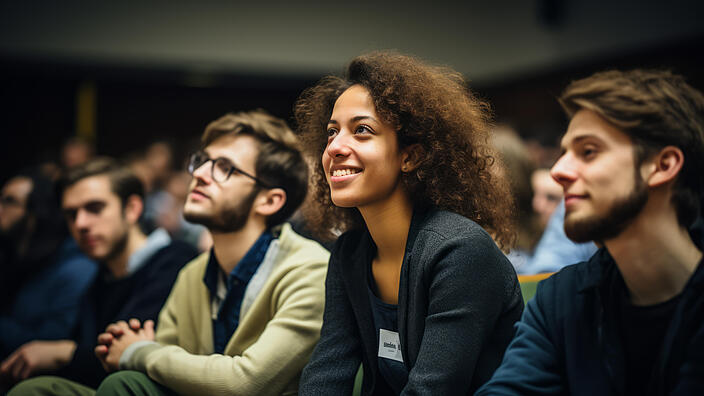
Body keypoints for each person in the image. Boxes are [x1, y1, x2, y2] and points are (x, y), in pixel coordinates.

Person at [9, 111, 330, 396]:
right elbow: (162, 365)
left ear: (269, 201)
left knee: (123, 384)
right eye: (201, 161)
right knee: (37, 388)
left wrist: (140, 351)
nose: (200, 173)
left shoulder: (309, 269)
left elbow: (246, 384)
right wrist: (144, 351)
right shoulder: (193, 272)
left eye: (225, 168)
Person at [296, 51, 524, 395]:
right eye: (332, 131)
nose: (335, 147)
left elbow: (432, 389)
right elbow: (328, 372)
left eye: (361, 130)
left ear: (410, 156)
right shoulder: (349, 253)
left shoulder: (459, 250)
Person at [477, 69, 704, 395]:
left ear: (663, 165)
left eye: (588, 152)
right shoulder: (561, 299)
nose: (558, 171)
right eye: (565, 152)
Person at [3, 158, 197, 390]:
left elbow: (124, 358)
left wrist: (64, 353)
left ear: (132, 209)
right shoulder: (101, 276)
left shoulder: (175, 261)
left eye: (95, 208)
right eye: (71, 214)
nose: (81, 224)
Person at [0, 170, 96, 362]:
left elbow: (50, 344)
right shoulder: (18, 259)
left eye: (9, 201)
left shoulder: (74, 267)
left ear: (35, 212)